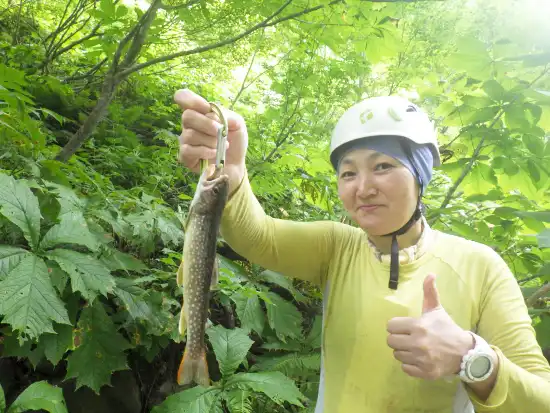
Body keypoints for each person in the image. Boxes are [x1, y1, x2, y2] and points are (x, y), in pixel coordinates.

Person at [173, 89, 550, 413]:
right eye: (348, 173)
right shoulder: (337, 247)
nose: (363, 188)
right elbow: (258, 237)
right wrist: (233, 170)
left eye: (383, 166)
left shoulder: (479, 266)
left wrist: (473, 358)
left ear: (420, 175)